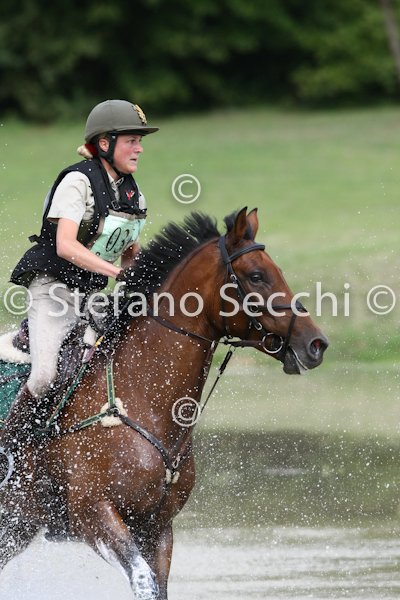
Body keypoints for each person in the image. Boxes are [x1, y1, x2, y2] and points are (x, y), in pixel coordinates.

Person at [0, 99, 159, 485]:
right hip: (52, 291)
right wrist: (116, 272)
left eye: (140, 141)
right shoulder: (77, 182)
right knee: (44, 375)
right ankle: (7, 452)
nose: (139, 148)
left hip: (90, 297)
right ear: (105, 143)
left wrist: (144, 277)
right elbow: (65, 245)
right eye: (132, 141)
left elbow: (129, 251)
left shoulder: (132, 194)